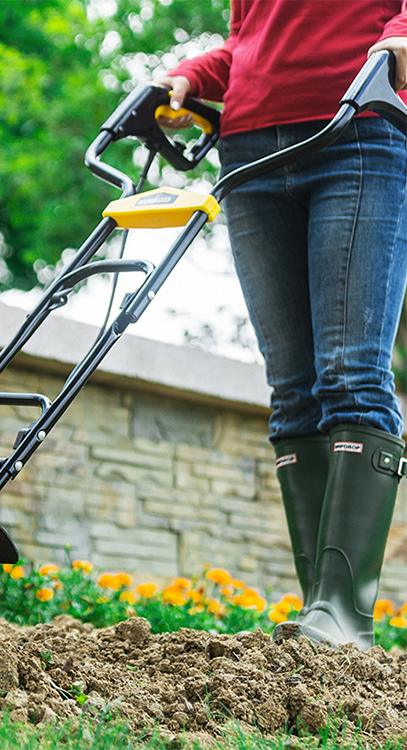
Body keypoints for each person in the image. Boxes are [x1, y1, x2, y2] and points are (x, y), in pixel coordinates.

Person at [159, 0, 407, 650]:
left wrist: (400, 37)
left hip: (356, 130)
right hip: (249, 155)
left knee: (351, 372)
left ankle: (346, 614)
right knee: (293, 389)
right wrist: (191, 74)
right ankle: (319, 613)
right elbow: (251, 41)